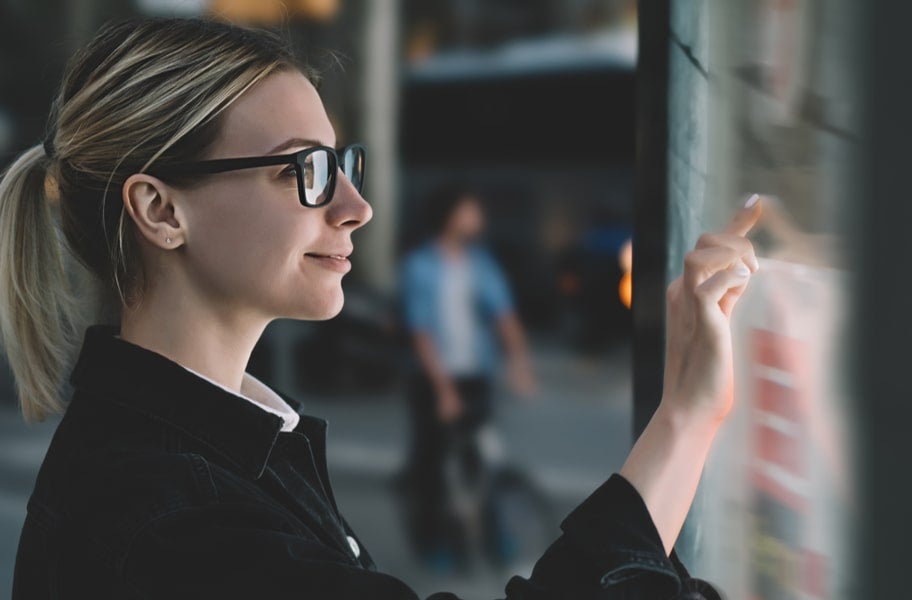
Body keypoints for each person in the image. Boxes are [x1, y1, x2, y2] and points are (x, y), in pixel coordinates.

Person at [0, 17, 761, 600]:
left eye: (344, 164)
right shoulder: (177, 525)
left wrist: (690, 415)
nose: (356, 206)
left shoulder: (195, 460)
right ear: (161, 210)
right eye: (307, 170)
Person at [398, 186, 535, 571]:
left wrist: (519, 362)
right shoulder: (420, 265)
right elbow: (420, 331)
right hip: (432, 381)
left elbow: (504, 315)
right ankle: (436, 542)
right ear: (450, 214)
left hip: (476, 377)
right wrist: (443, 390)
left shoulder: (480, 264)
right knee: (434, 464)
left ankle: (496, 537)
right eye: (470, 210)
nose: (478, 218)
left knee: (487, 459)